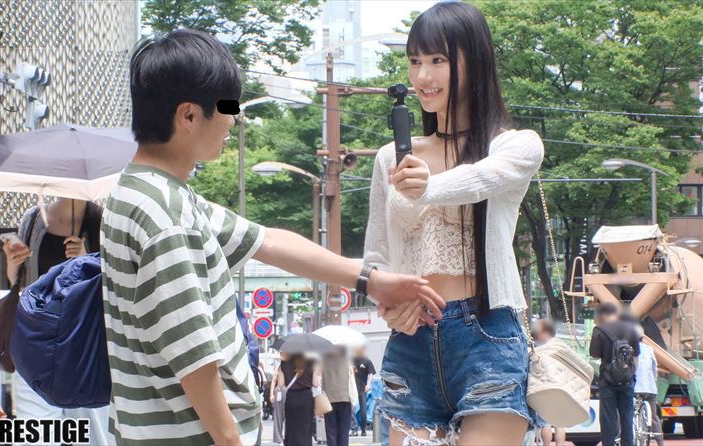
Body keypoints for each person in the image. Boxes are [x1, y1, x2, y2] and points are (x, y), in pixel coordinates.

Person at [100, 29, 446, 446]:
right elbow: (194, 358)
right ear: (188, 116)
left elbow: (267, 241)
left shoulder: (145, 191)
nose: (233, 120)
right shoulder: (166, 215)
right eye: (226, 108)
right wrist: (231, 440)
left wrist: (369, 280)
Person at [363, 3, 544, 445]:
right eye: (415, 61)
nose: (422, 76)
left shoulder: (514, 146)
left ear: (473, 63)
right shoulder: (392, 159)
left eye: (438, 60)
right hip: (411, 339)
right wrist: (387, 305)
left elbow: (479, 179)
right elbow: (376, 256)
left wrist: (426, 188)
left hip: (487, 334)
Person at [2, 198, 109, 446]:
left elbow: (113, 280)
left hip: (84, 345)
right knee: (35, 434)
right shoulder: (33, 219)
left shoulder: (102, 220)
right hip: (36, 340)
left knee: (94, 434)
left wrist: (86, 259)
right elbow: (20, 285)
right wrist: (12, 265)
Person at [589, 303, 641, 446]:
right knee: (627, 417)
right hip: (627, 381)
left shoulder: (599, 330)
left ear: (603, 315)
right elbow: (636, 356)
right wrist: (631, 375)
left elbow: (594, 354)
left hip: (607, 381)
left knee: (608, 419)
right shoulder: (631, 329)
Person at [531, 320, 566, 446]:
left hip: (545, 387)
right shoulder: (560, 345)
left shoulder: (539, 348)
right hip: (560, 387)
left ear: (545, 332)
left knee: (544, 422)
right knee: (559, 423)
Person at [279, 354, 319, 446]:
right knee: (306, 428)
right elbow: (315, 383)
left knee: (291, 427)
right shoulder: (311, 362)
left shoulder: (284, 363)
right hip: (306, 398)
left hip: (291, 397)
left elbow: (281, 384)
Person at [635, 326, 663, 446]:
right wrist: (654, 379)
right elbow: (654, 367)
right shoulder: (649, 349)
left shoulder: (629, 349)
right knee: (653, 416)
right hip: (650, 388)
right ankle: (660, 442)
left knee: (628, 412)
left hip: (635, 388)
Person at [321, 347, 354, 446]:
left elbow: (319, 381)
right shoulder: (347, 360)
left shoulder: (323, 360)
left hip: (328, 400)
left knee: (331, 433)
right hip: (345, 398)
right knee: (344, 433)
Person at [351, 346, 376, 436]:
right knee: (351, 409)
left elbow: (371, 373)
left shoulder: (366, 361)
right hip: (351, 388)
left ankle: (363, 429)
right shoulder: (350, 360)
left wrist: (368, 384)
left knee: (363, 410)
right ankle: (354, 428)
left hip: (362, 388)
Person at [269, 353, 289, 445]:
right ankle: (279, 438)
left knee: (288, 415)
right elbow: (274, 380)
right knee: (278, 415)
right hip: (280, 391)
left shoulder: (291, 365)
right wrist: (271, 394)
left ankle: (286, 437)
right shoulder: (279, 366)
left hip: (288, 391)